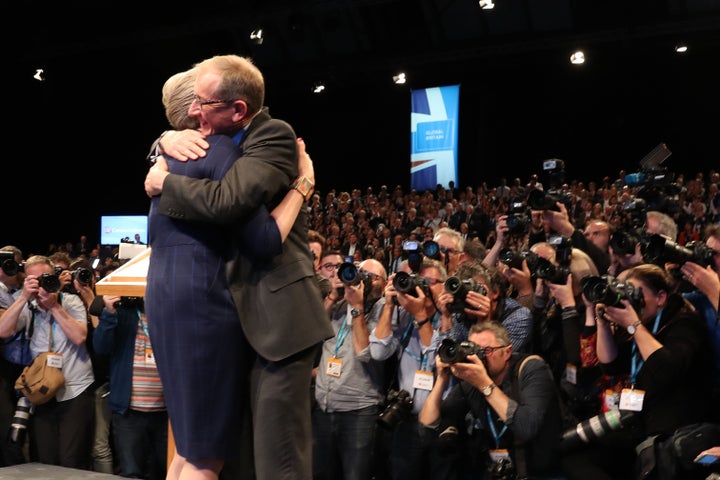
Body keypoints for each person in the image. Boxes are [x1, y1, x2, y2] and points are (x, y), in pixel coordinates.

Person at [144, 55, 333, 480]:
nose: (195, 112)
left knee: (274, 460)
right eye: (191, 105)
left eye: (202, 103)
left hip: (279, 322)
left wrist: (304, 186)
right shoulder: (208, 143)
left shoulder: (271, 135)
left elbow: (231, 205)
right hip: (237, 318)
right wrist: (163, 141)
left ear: (237, 109)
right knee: (215, 452)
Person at [561, 263, 715, 480]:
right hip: (638, 428)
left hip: (675, 434)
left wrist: (633, 325)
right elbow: (609, 364)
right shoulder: (645, 326)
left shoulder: (685, 324)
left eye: (634, 293)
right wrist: (603, 323)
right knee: (573, 454)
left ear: (661, 297)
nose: (630, 299)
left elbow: (666, 368)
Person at [419, 321, 564, 479]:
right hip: (505, 470)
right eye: (473, 350)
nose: (480, 356)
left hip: (546, 470)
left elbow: (527, 427)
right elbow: (428, 424)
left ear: (507, 352)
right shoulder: (472, 383)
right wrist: (442, 379)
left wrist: (484, 384)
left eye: (487, 350)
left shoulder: (531, 368)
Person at [0, 255, 95, 469]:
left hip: (75, 388)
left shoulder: (70, 302)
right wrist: (24, 297)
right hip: (42, 391)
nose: (41, 284)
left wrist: (54, 307)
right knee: (45, 459)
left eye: (46, 278)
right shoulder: (26, 304)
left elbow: (79, 337)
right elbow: (3, 330)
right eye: (34, 279)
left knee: (71, 459)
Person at [369, 258, 456, 480]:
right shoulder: (403, 317)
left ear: (444, 285)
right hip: (405, 419)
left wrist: (420, 316)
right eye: (417, 280)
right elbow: (378, 351)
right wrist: (389, 306)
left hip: (441, 423)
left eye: (429, 281)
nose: (422, 286)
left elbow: (438, 355)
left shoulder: (451, 318)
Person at [93, 294, 167, 480]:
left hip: (167, 411)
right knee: (132, 472)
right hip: (129, 412)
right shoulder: (123, 313)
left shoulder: (169, 314)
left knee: (165, 470)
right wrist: (108, 313)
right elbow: (101, 347)